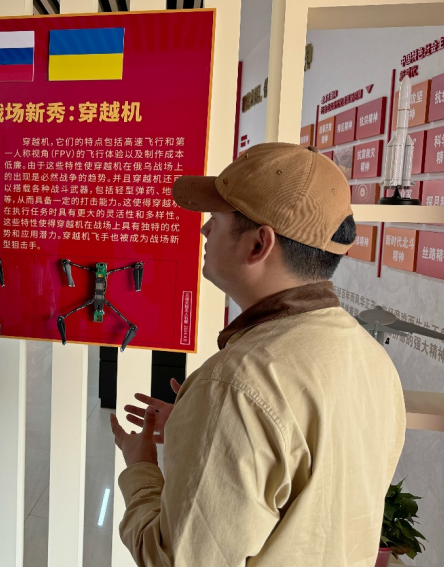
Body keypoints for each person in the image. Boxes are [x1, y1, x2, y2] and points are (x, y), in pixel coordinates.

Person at [110, 143, 405, 566]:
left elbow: (172, 559)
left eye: (217, 218)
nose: (204, 230)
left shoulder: (235, 385)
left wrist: (140, 467)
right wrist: (208, 434)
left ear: (258, 245)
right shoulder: (370, 358)